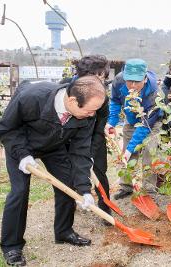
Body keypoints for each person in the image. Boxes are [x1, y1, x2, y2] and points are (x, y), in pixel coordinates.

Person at [0, 75, 106, 266]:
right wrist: (22, 154)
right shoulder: (31, 97)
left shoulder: (88, 115)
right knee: (19, 191)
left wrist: (84, 190)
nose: (92, 115)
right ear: (72, 100)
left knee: (67, 183)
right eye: (89, 111)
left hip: (54, 145)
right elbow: (7, 128)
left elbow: (80, 152)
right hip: (21, 144)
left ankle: (64, 231)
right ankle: (12, 246)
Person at [106, 58, 163, 200]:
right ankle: (126, 187)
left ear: (144, 79)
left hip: (151, 123)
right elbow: (115, 101)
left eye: (137, 81)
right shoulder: (119, 81)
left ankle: (149, 189)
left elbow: (145, 125)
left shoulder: (154, 92)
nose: (132, 85)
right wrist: (111, 122)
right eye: (129, 81)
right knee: (126, 154)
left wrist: (132, 147)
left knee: (149, 153)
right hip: (131, 120)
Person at [70, 55, 113, 223]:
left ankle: (105, 207)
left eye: (102, 77)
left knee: (99, 172)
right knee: (71, 172)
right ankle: (71, 202)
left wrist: (92, 151)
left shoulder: (103, 98)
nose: (100, 81)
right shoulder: (68, 89)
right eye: (97, 76)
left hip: (95, 137)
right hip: (71, 138)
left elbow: (99, 126)